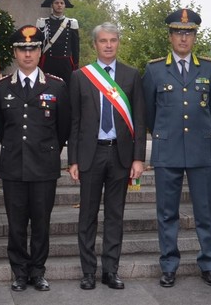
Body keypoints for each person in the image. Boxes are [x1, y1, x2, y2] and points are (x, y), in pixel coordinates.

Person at [142, 9, 211, 288]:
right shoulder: (154, 70)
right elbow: (149, 114)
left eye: (188, 33)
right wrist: (164, 134)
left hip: (200, 150)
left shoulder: (209, 68)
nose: (183, 38)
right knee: (167, 213)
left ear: (195, 37)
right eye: (178, 32)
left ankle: (209, 264)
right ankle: (169, 265)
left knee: (205, 212)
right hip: (168, 150)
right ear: (170, 36)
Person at [67, 22, 146, 291]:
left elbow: (140, 119)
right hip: (91, 154)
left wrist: (139, 158)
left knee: (115, 215)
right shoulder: (80, 76)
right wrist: (73, 160)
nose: (109, 45)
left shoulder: (131, 75)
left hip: (121, 155)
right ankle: (88, 272)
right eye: (103, 41)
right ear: (95, 44)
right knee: (87, 216)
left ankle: (110, 271)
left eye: (113, 40)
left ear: (118, 42)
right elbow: (74, 122)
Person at [0, 25, 70, 292]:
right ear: (15, 52)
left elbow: (63, 128)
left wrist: (48, 152)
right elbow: (2, 128)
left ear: (40, 52)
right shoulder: (1, 88)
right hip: (14, 166)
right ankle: (19, 273)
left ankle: (38, 271)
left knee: (41, 223)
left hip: (44, 167)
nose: (28, 54)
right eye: (22, 49)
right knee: (16, 225)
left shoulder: (57, 86)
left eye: (33, 48)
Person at [36, 0, 79, 86]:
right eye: (56, 3)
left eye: (62, 3)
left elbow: (75, 48)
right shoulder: (42, 23)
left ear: (65, 5)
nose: (59, 5)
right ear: (52, 5)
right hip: (48, 63)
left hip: (66, 65)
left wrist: (76, 66)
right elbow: (38, 45)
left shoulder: (72, 23)